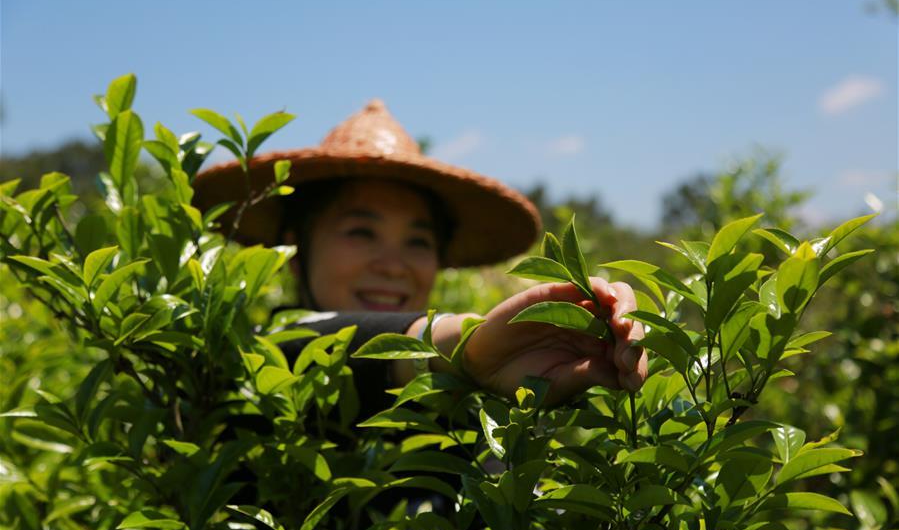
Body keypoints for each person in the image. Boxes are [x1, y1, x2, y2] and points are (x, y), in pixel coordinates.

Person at [193, 99, 647, 411]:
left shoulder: (471, 418)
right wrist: (467, 346)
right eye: (361, 232)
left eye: (417, 241)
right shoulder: (245, 362)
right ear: (295, 249)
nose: (393, 265)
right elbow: (309, 340)